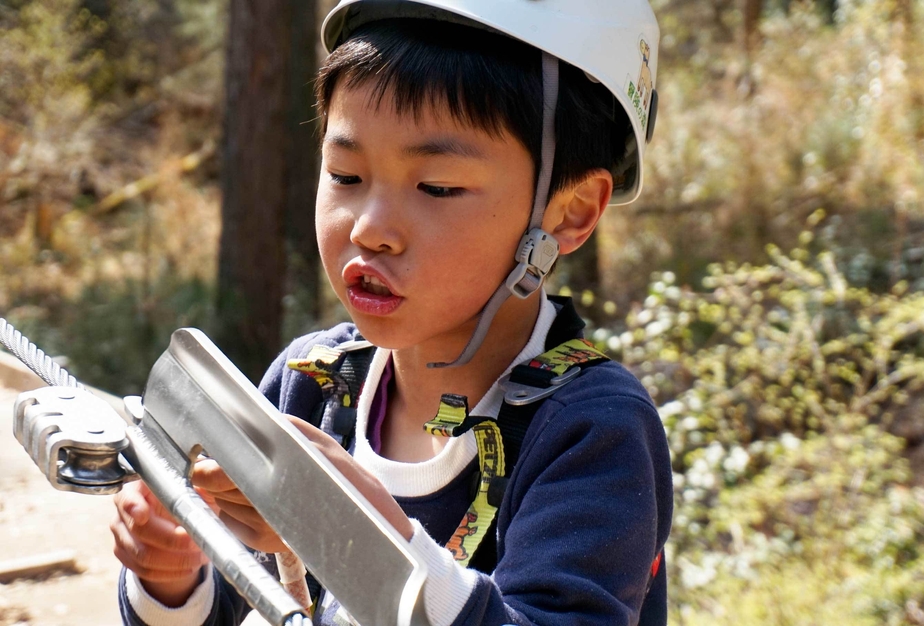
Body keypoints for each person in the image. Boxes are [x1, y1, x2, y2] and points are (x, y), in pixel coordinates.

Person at [110, 1, 673, 624]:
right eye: (346, 175)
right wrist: (173, 581)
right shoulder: (311, 383)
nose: (372, 229)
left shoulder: (590, 430)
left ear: (569, 211)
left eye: (436, 187)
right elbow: (242, 597)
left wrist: (368, 542)